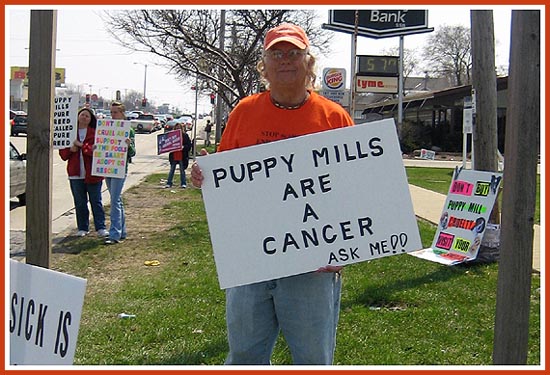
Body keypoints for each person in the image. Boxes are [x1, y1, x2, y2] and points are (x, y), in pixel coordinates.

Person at [191, 23, 354, 365]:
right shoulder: (244, 113)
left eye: (294, 53)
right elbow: (226, 180)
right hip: (251, 263)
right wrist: (204, 177)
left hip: (313, 265)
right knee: (245, 357)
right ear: (264, 64)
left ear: (308, 62)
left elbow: (352, 190)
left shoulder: (333, 117)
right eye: (276, 53)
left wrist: (342, 247)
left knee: (312, 359)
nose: (285, 60)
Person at [59, 107, 109, 238]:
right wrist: (71, 149)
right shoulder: (69, 133)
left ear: (91, 119)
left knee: (96, 201)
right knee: (80, 202)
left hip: (93, 174)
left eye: (87, 116)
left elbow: (97, 151)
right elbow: (63, 155)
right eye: (82, 115)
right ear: (77, 116)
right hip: (75, 174)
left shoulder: (95, 133)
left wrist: (82, 146)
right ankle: (82, 227)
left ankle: (101, 227)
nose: (84, 117)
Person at [104, 101, 136, 245]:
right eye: (111, 112)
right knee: (116, 199)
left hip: (120, 167)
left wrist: (129, 145)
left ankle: (114, 233)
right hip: (107, 166)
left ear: (122, 113)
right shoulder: (107, 127)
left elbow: (133, 152)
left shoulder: (128, 130)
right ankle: (122, 231)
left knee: (115, 200)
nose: (113, 115)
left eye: (115, 112)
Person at [164, 123, 192, 188]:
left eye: (179, 128)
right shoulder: (172, 136)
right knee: (172, 170)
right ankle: (169, 183)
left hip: (182, 156)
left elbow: (189, 145)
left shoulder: (185, 135)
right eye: (176, 128)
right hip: (174, 156)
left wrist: (183, 147)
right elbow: (167, 144)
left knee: (182, 171)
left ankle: (183, 183)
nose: (177, 129)